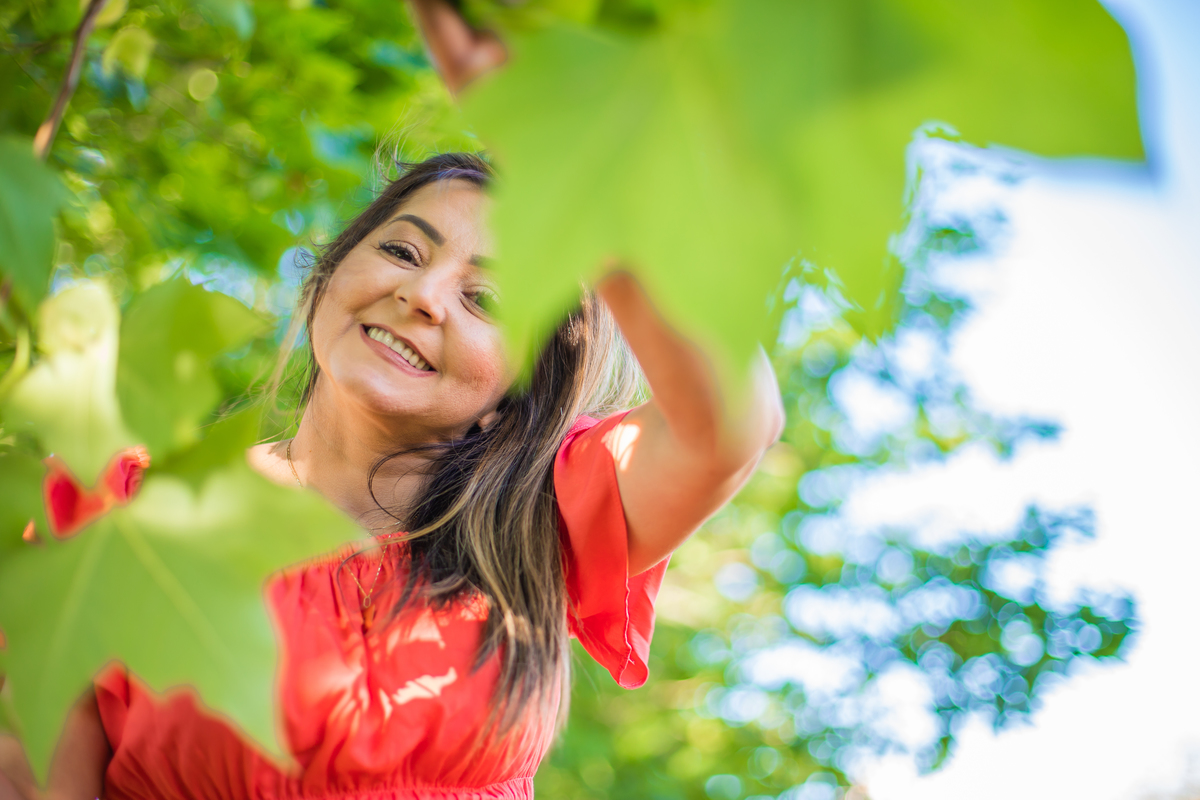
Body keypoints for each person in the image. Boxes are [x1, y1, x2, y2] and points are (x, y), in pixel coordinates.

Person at [0, 3, 783, 799]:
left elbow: (733, 422)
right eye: (404, 250)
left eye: (485, 300)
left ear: (519, 390)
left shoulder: (542, 516)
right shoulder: (110, 510)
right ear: (327, 278)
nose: (423, 295)